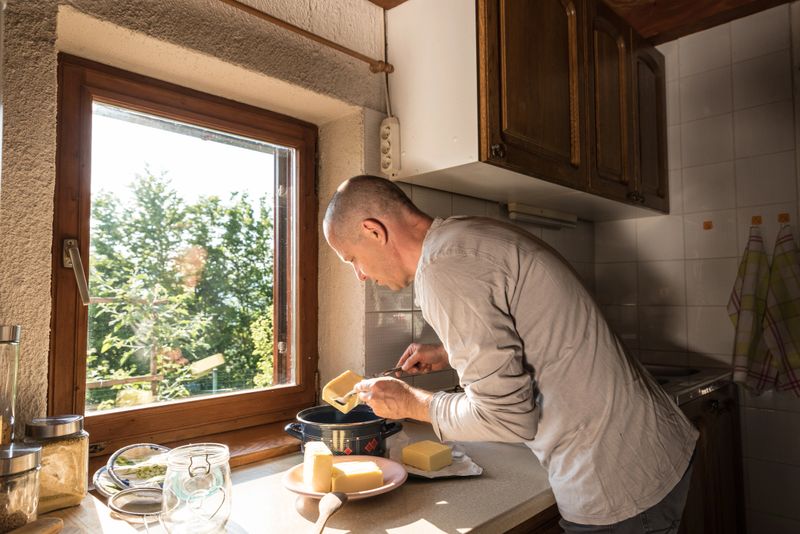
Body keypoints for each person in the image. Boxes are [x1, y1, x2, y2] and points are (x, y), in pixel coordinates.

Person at [323, 175, 699, 533]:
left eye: (351, 259)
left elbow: (507, 419)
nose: (359, 274)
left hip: (613, 478)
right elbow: (533, 331)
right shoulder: (463, 235)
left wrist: (412, 403)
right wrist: (449, 353)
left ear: (374, 231)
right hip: (646, 448)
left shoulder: (442, 268)